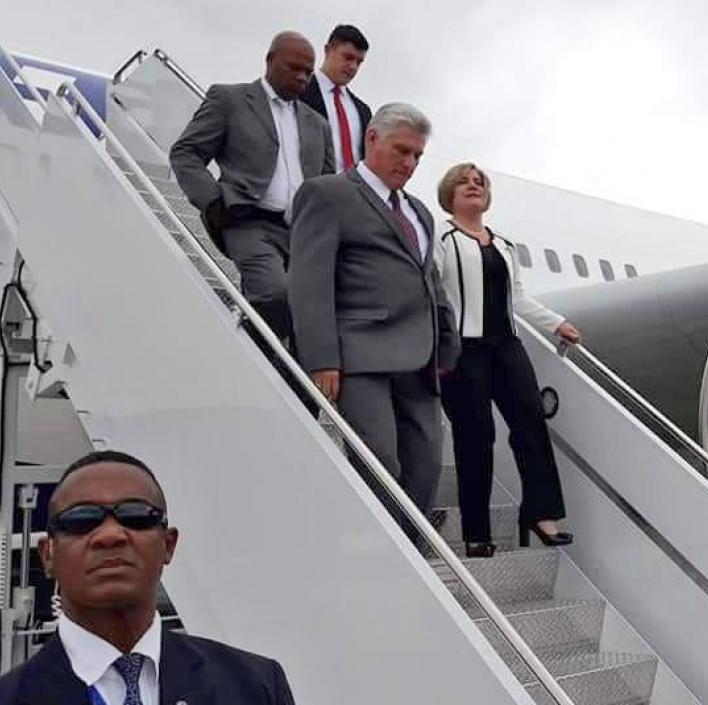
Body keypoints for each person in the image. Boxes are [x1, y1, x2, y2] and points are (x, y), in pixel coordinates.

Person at [0, 450, 295, 704]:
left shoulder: (256, 686)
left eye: (136, 515)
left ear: (168, 545)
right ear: (48, 554)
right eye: (82, 519)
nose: (110, 535)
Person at [288, 103, 459, 515]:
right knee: (379, 464)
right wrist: (322, 357)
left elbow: (428, 280)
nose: (410, 162)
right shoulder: (328, 194)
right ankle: (386, 559)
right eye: (402, 150)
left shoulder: (419, 211)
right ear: (371, 138)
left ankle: (410, 557)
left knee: (426, 467)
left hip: (420, 361)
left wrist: (447, 342)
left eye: (417, 155)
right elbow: (309, 281)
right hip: (360, 356)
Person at [433, 162, 580, 558]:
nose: (472, 187)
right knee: (476, 436)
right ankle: (477, 532)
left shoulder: (504, 246)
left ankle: (542, 513)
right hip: (464, 350)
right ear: (449, 194)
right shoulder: (442, 240)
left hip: (506, 347)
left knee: (531, 421)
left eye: (479, 183)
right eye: (463, 182)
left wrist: (556, 323)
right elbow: (434, 293)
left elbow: (517, 297)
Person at [169, 31, 335, 341]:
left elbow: (327, 186)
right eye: (294, 67)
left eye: (309, 72)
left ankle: (265, 361)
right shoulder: (229, 99)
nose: (302, 77)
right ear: (270, 60)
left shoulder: (318, 124)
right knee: (275, 294)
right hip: (249, 221)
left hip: (301, 234)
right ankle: (256, 353)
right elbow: (186, 153)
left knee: (318, 311)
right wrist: (213, 201)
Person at [298, 24, 372, 173]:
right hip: (311, 188)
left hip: (354, 193)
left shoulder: (363, 111)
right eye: (348, 57)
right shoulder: (299, 94)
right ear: (327, 50)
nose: (353, 67)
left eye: (359, 62)